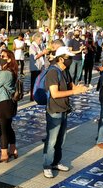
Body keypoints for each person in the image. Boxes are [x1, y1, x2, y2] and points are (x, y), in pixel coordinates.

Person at [43, 46, 88, 178]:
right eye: (69, 58)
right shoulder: (52, 72)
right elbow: (55, 93)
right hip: (54, 110)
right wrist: (74, 91)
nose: (71, 61)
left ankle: (56, 162)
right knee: (51, 140)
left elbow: (70, 86)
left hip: (64, 109)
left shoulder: (65, 71)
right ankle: (47, 165)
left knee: (61, 139)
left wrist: (79, 88)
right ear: (61, 59)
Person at [29, 32, 48, 101]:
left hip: (42, 66)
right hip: (35, 67)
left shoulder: (41, 45)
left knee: (40, 81)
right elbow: (34, 57)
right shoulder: (32, 46)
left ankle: (39, 94)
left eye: (42, 40)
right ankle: (32, 96)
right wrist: (42, 53)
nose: (41, 41)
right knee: (34, 81)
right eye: (40, 40)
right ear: (36, 39)